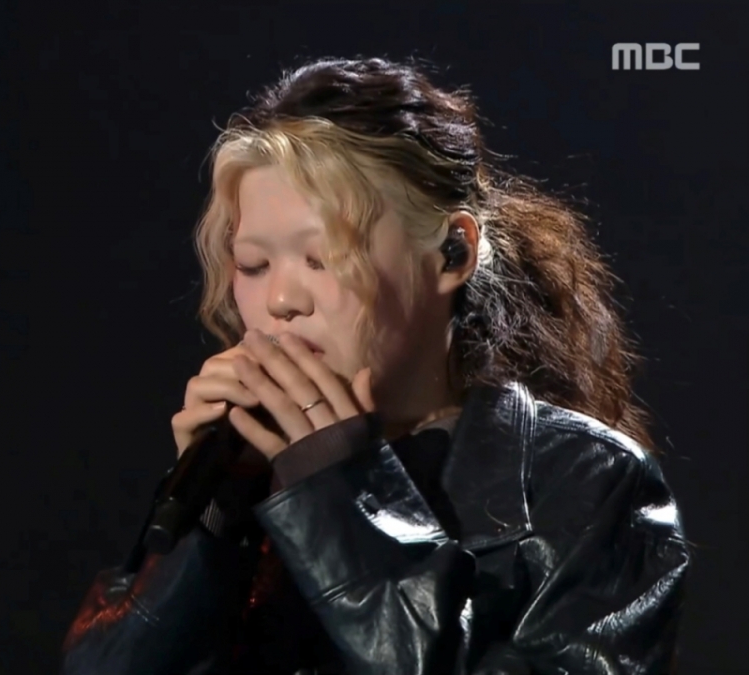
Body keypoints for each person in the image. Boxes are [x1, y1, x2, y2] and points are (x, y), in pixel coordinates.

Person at [60, 57, 689, 675]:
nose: (280, 301)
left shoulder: (588, 481)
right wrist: (211, 518)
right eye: (254, 265)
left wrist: (340, 500)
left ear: (452, 252)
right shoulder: (246, 476)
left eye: (323, 258)